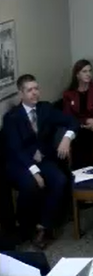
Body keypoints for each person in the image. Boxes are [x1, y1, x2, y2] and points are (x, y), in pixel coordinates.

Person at [1, 74, 79, 249]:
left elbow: (72, 121)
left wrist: (67, 138)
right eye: (30, 90)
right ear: (21, 93)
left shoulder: (46, 109)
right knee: (31, 184)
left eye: (36, 89)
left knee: (60, 180)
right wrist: (35, 172)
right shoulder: (12, 117)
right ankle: (25, 226)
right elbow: (16, 149)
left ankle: (43, 226)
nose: (35, 93)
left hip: (43, 159)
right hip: (21, 163)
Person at [62, 59, 93, 169]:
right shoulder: (69, 94)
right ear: (77, 74)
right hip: (79, 128)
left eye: (90, 71)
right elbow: (68, 117)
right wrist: (85, 121)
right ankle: (80, 172)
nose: (88, 74)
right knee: (80, 137)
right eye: (84, 71)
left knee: (91, 137)